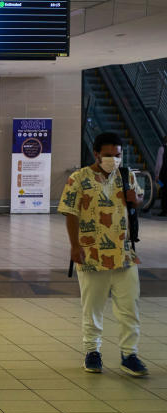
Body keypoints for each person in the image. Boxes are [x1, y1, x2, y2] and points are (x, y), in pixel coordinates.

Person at [58, 131, 147, 377]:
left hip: (124, 253)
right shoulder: (78, 178)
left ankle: (130, 355)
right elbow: (70, 212)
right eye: (108, 155)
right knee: (93, 307)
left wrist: (136, 200)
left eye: (117, 155)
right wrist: (75, 246)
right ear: (96, 154)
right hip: (91, 253)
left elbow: (137, 199)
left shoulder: (126, 175)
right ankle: (92, 352)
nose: (113, 159)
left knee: (129, 307)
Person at [156, 135, 166, 216]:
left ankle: (164, 210)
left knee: (163, 190)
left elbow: (159, 163)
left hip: (163, 175)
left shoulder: (162, 149)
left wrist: (157, 174)